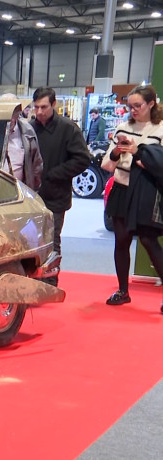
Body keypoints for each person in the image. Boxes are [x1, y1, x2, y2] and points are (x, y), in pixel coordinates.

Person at [100, 84, 163, 312]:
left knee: (149, 241)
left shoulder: (160, 129)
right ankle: (122, 291)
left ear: (151, 104)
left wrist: (139, 152)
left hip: (146, 190)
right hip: (121, 187)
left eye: (138, 105)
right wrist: (117, 152)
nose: (133, 110)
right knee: (121, 241)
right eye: (130, 106)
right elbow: (107, 165)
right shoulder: (122, 127)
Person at [30, 86, 91, 286]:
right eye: (36, 107)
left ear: (54, 105)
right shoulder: (30, 127)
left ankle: (50, 282)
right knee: (31, 241)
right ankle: (32, 280)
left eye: (44, 107)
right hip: (31, 196)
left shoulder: (68, 128)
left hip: (56, 195)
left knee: (52, 240)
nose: (39, 112)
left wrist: (55, 174)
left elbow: (83, 159)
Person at [0, 93, 43, 190]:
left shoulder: (27, 131)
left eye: (12, 113)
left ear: (18, 112)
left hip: (19, 191)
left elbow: (36, 164)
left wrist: (33, 190)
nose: (9, 119)